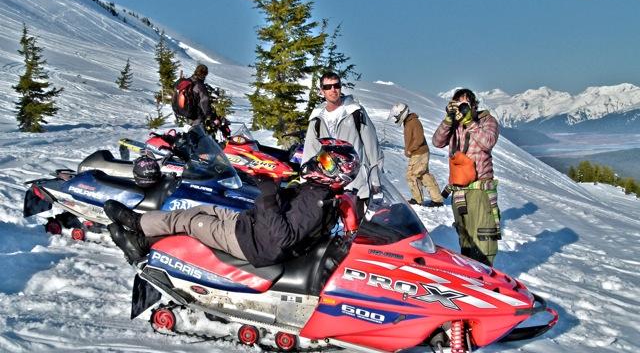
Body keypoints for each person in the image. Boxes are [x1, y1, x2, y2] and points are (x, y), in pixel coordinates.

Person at [105, 139, 361, 268]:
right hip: (251, 226)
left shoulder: (316, 201)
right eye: (322, 157)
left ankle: (138, 241)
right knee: (198, 209)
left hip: (254, 244)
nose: (319, 162)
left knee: (194, 223)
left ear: (339, 174)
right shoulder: (315, 190)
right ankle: (138, 224)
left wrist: (270, 197)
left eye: (327, 162)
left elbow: (284, 237)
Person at [432, 88, 501, 266]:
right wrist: (449, 119)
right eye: (458, 104)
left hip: (480, 191)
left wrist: (470, 121)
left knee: (483, 239)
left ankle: (486, 279)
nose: (461, 109)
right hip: (459, 192)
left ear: (474, 105)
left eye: (465, 105)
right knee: (466, 240)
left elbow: (488, 142)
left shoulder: (487, 120)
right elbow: (437, 142)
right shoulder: (454, 124)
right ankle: (471, 280)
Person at [302, 71, 383, 216]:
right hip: (328, 184)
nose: (333, 90)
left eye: (336, 85)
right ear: (322, 91)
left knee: (355, 229)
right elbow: (310, 152)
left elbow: (373, 148)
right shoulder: (316, 119)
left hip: (355, 185)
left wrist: (376, 180)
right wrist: (305, 182)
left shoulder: (355, 112)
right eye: (328, 87)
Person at [389, 102, 444, 208]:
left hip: (419, 152)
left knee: (411, 175)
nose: (396, 118)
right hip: (419, 152)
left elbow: (419, 139)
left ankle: (417, 199)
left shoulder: (413, 122)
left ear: (402, 113)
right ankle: (437, 199)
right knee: (423, 175)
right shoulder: (409, 122)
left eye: (397, 115)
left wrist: (410, 150)